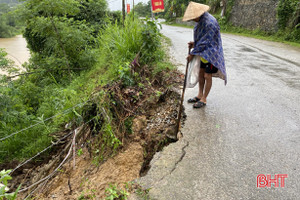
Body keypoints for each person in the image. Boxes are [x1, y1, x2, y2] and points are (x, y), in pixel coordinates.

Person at [182, 2, 227, 108]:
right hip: (203, 52)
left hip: (212, 53)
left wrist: (192, 54)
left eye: (193, 17)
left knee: (207, 75)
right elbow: (202, 38)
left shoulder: (209, 22)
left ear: (198, 14)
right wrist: (194, 43)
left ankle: (204, 99)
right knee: (201, 73)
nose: (193, 20)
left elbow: (206, 42)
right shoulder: (200, 20)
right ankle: (199, 95)